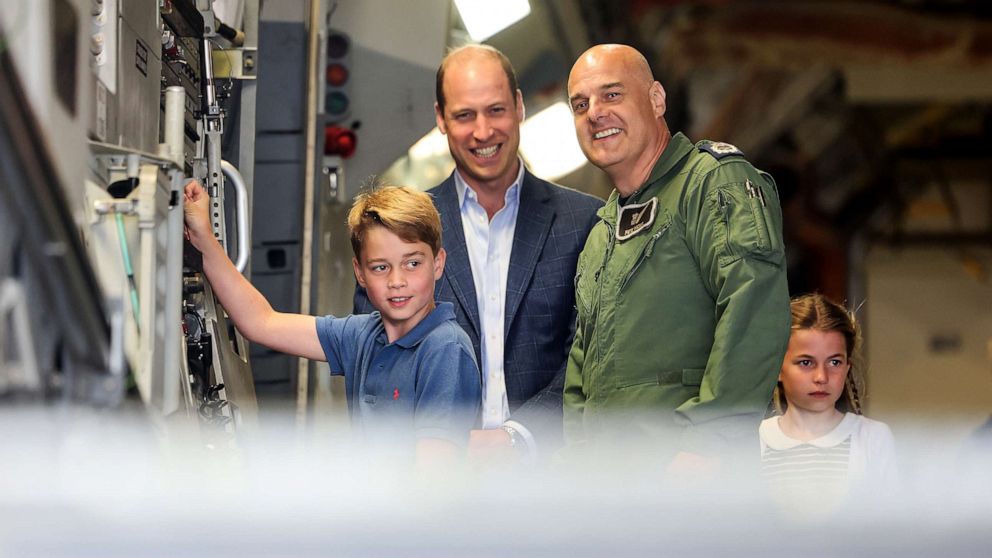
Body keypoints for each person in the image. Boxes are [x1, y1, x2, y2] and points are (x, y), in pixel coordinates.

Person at [355, 45, 602, 464]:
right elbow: (377, 365)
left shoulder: (585, 222)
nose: (483, 132)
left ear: (520, 106)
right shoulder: (400, 232)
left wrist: (517, 439)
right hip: (433, 477)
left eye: (496, 110)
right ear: (440, 118)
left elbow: (593, 357)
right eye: (465, 115)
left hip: (551, 479)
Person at [563, 44, 790, 472]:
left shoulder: (711, 183)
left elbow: (753, 306)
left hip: (689, 479)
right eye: (580, 104)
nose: (594, 112)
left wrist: (710, 441)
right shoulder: (601, 230)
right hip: (607, 489)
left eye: (612, 95)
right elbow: (581, 364)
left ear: (656, 99)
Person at [184, 181, 481, 465]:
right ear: (360, 274)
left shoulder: (445, 349)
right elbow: (262, 322)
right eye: (380, 267)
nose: (397, 281)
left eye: (413, 263)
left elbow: (433, 483)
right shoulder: (363, 335)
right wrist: (204, 238)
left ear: (438, 263)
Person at [760, 293, 897, 517]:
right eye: (806, 362)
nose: (821, 376)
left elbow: (889, 529)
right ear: (777, 367)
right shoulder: (756, 438)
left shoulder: (872, 437)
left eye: (834, 362)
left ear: (847, 367)